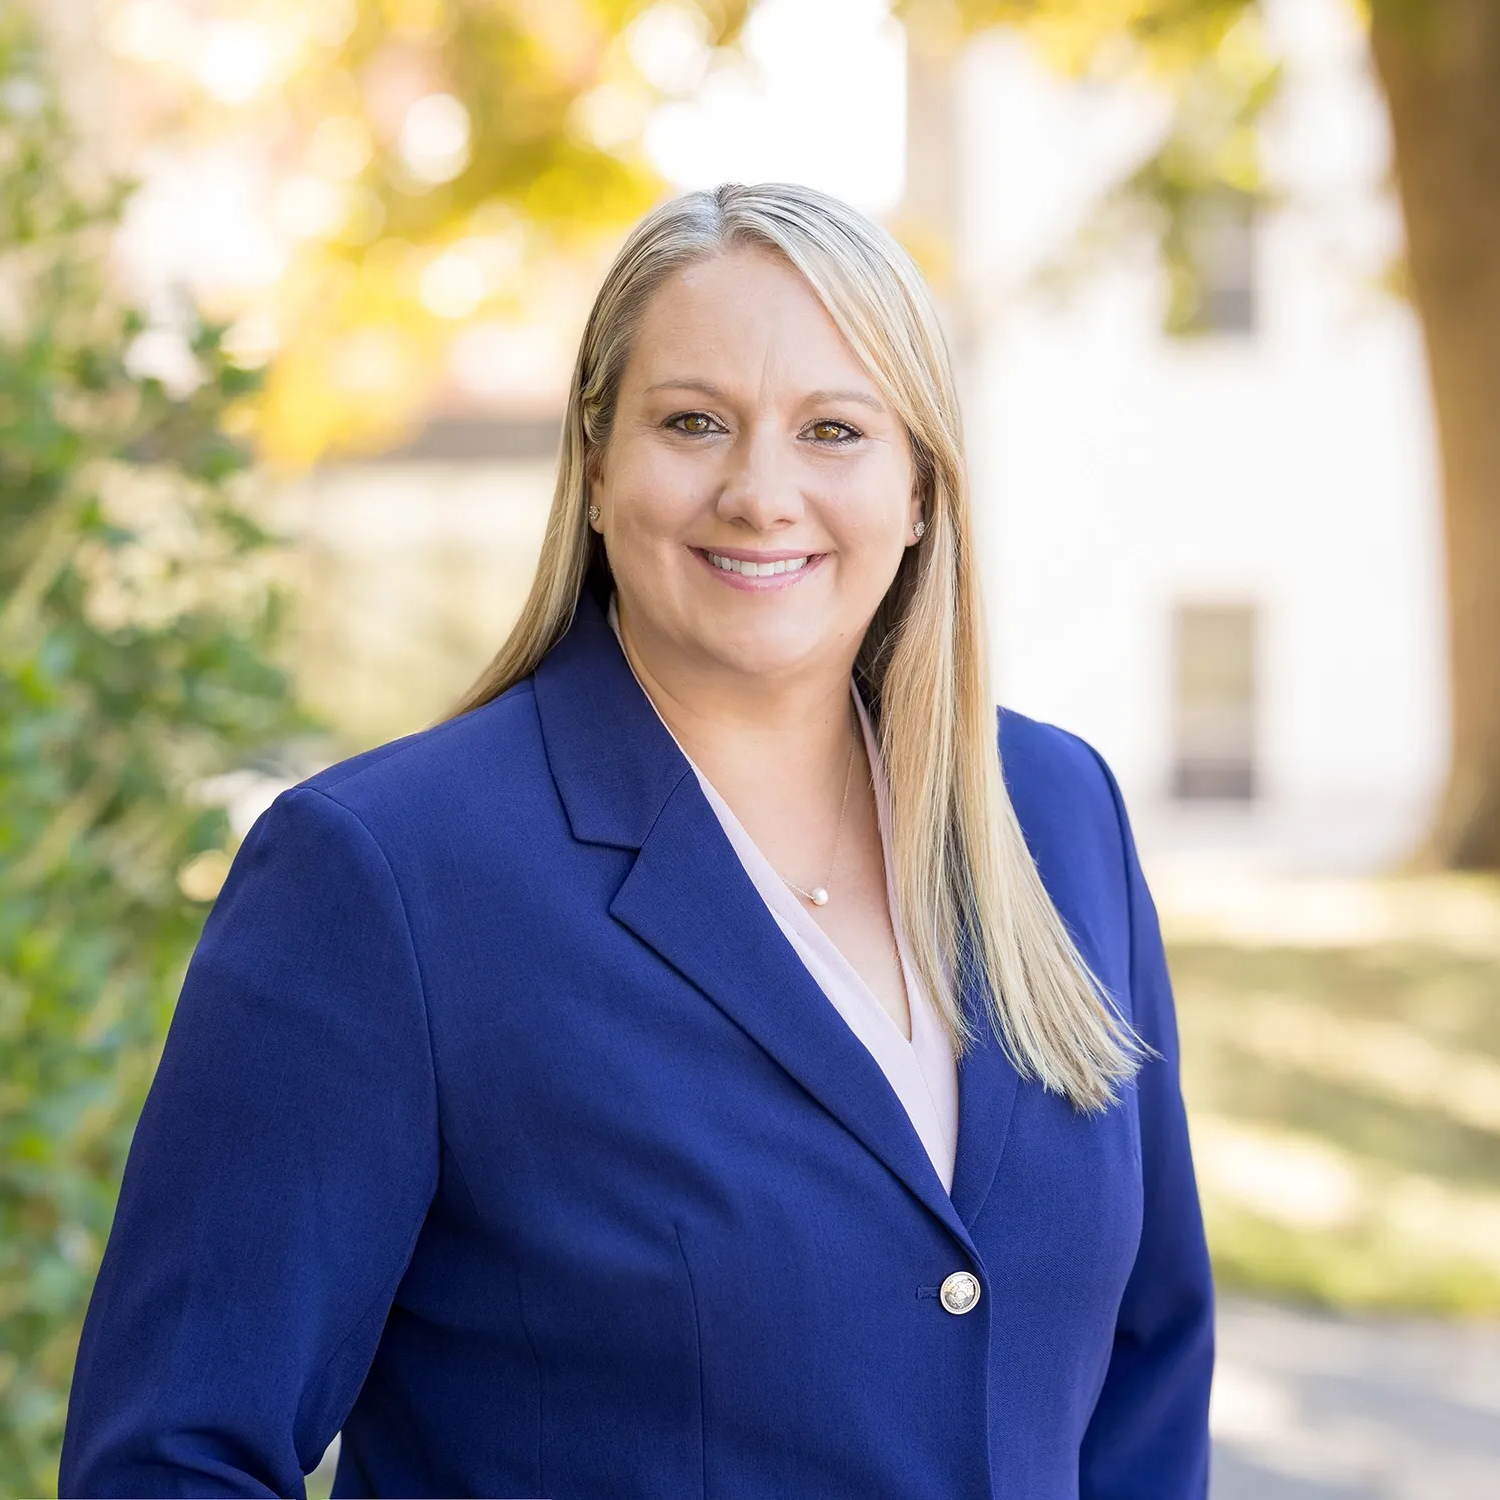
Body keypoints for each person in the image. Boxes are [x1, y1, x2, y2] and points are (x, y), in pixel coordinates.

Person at [60, 181, 1213, 1500]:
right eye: (693, 422)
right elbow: (173, 1459)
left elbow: (1146, 1367)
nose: (760, 491)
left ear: (918, 491)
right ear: (597, 466)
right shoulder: (387, 878)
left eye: (833, 430)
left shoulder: (1057, 817)